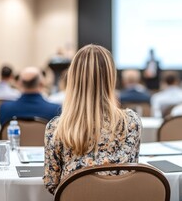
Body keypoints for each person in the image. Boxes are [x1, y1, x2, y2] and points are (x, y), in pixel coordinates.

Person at [43, 44, 142, 195]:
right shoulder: (131, 121)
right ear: (111, 77)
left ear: (73, 78)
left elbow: (52, 183)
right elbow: (131, 171)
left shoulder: (57, 127)